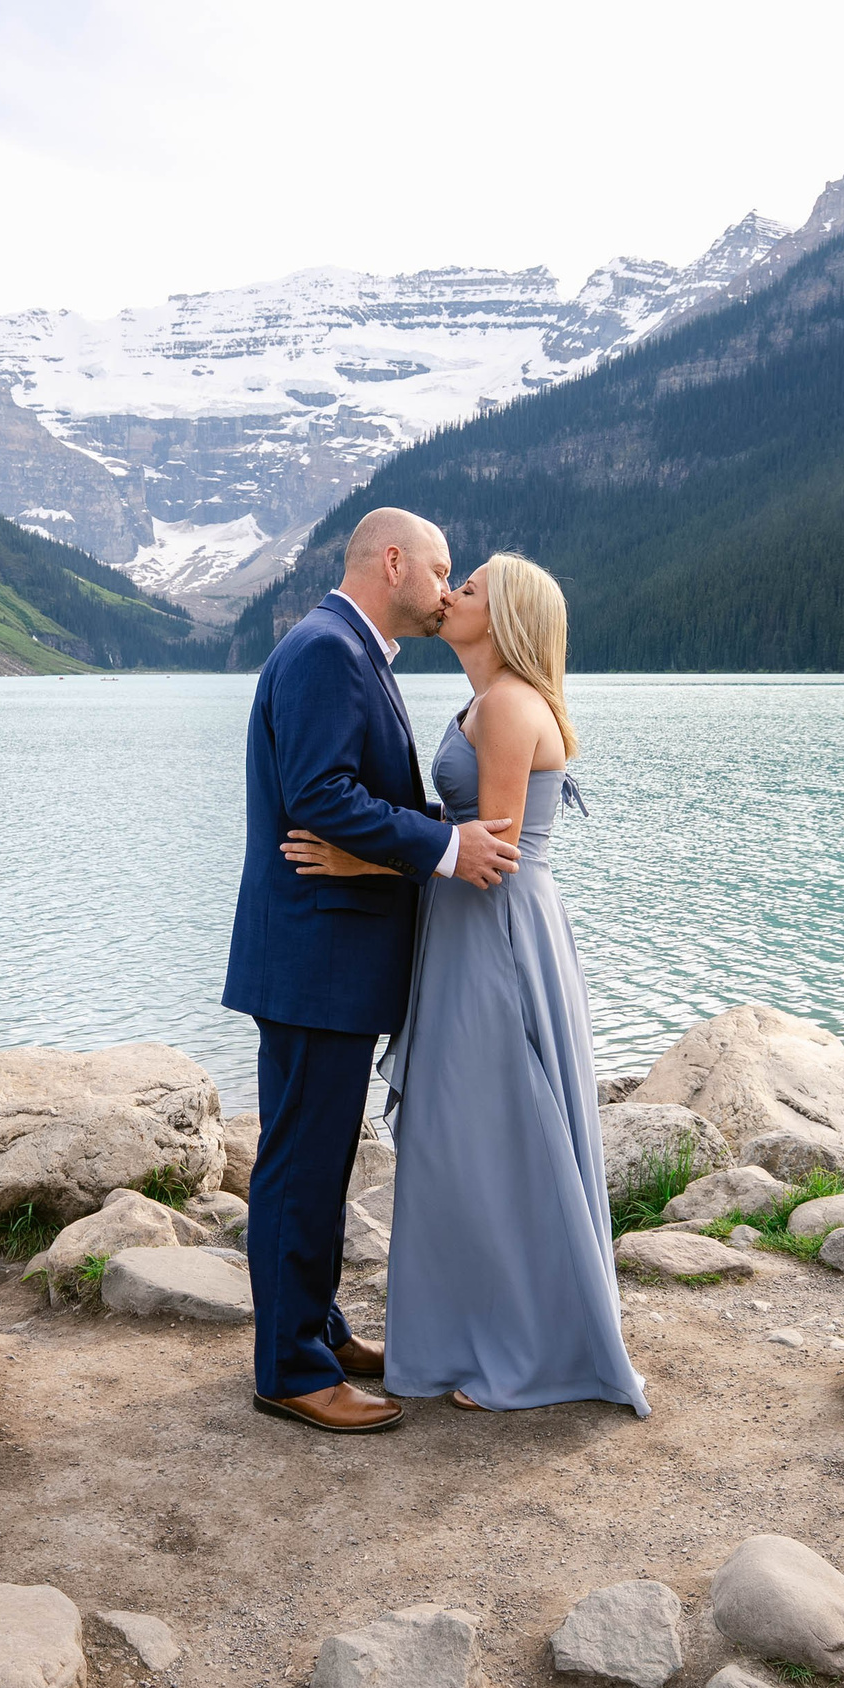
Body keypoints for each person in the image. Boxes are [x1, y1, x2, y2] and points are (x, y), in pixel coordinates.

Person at [284, 553, 647, 1417]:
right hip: (471, 937)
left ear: (507, 615)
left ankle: (522, 1352)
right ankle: (477, 1333)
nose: (450, 595)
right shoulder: (487, 703)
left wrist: (357, 860)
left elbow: (486, 856)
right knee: (473, 1137)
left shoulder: (513, 705)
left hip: (497, 941)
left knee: (498, 1136)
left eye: (470, 587)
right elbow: (456, 837)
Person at [221, 508, 522, 1434]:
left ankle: (317, 1329)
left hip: (325, 953)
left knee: (319, 1156)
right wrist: (441, 844)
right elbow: (319, 795)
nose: (446, 588)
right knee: (301, 1164)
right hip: (316, 956)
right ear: (392, 564)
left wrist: (419, 835)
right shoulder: (325, 651)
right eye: (439, 570)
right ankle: (290, 1373)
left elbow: (361, 800)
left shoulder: (351, 650)